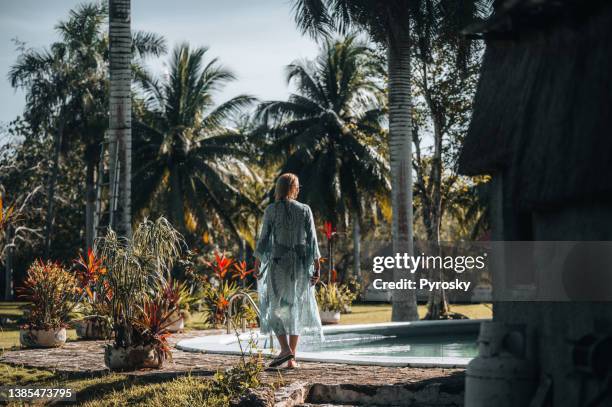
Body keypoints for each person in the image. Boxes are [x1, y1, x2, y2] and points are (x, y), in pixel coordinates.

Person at [253, 173, 322, 369]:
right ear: (293, 188)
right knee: (296, 309)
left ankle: (286, 351)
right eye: (297, 186)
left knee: (274, 307)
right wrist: (317, 265)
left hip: (278, 263)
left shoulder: (271, 210)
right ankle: (290, 357)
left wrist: (257, 263)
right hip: (300, 264)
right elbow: (312, 241)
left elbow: (264, 239)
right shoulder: (305, 210)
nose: (299, 189)